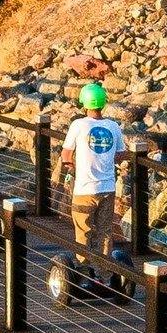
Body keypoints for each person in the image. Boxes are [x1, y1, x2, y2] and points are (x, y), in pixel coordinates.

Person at [59, 82, 124, 260]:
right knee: (105, 233)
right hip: (107, 188)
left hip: (84, 189)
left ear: (84, 103)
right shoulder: (113, 126)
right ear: (104, 103)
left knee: (83, 232)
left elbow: (66, 153)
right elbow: (120, 154)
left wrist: (70, 165)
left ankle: (83, 270)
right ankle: (105, 273)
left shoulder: (78, 125)